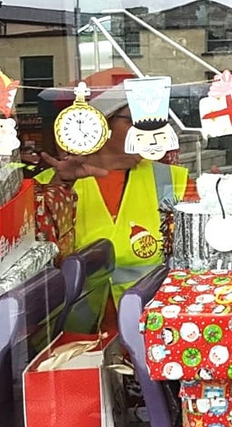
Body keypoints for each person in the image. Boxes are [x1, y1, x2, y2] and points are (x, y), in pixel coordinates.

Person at [36, 84, 196, 305]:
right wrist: (60, 186)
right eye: (135, 122)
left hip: (153, 320)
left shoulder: (176, 180)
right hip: (75, 325)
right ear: (102, 125)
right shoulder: (46, 184)